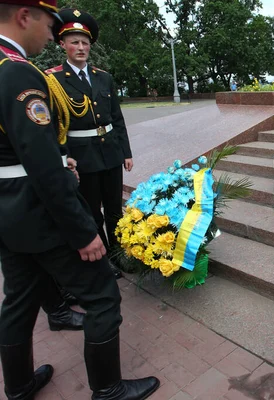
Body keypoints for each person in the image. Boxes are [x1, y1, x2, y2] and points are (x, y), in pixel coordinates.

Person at [0, 1, 159, 399]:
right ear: (24, 16)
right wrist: (83, 232)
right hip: (36, 211)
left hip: (6, 212)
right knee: (104, 296)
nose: (51, 33)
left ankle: (18, 388)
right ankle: (108, 391)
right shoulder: (19, 74)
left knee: (18, 300)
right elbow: (43, 168)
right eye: (49, 23)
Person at [45, 8, 134, 278]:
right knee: (92, 210)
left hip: (110, 152)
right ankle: (103, 258)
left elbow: (117, 118)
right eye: (74, 42)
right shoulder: (53, 80)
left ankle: (119, 253)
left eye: (85, 43)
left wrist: (126, 152)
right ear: (63, 44)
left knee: (115, 209)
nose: (81, 47)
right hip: (82, 156)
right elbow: (53, 125)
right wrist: (63, 157)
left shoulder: (103, 77)